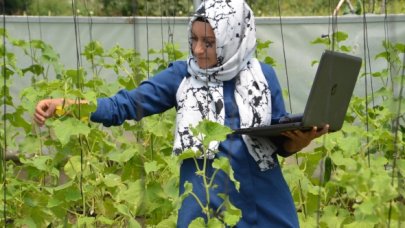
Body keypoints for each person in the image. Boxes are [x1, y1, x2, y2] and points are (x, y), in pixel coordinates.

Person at [34, 0, 328, 227]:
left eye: (209, 42)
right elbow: (122, 105)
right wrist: (67, 104)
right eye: (194, 39)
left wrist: (298, 141)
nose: (198, 50)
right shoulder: (182, 76)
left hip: (266, 201)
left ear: (234, 37)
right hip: (208, 203)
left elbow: (279, 141)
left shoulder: (263, 76)